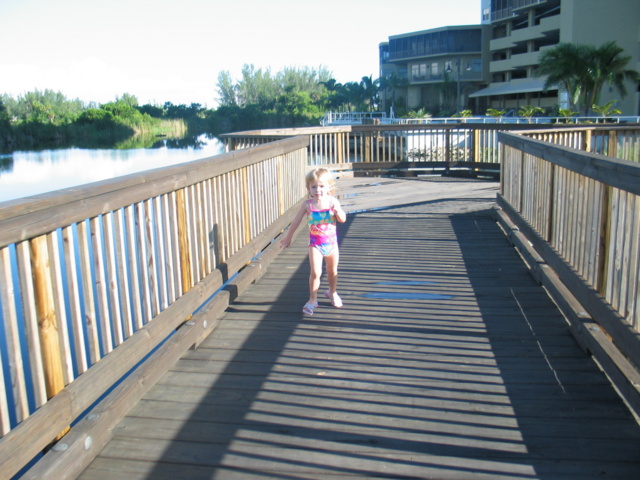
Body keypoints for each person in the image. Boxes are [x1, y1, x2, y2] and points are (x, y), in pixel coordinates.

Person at [280, 168, 346, 315]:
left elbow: (342, 219)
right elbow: (296, 221)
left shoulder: (332, 201)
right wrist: (289, 236)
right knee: (315, 272)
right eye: (314, 186)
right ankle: (312, 299)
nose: (318, 190)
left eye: (322, 186)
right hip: (315, 244)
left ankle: (333, 292)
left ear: (329, 187)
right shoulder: (307, 205)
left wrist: (338, 211)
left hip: (332, 245)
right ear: (308, 188)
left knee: (332, 271)